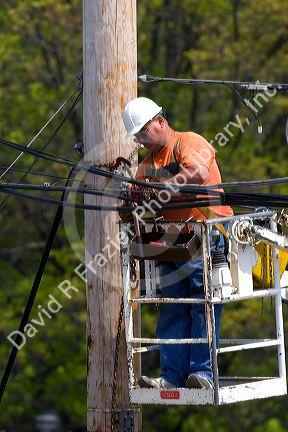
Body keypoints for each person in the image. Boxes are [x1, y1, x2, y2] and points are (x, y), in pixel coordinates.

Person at [122, 97, 233, 390]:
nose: (141, 139)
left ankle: (203, 374)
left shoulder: (187, 142)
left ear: (160, 121)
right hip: (169, 241)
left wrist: (160, 191)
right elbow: (135, 202)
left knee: (201, 304)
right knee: (172, 307)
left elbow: (198, 172)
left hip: (204, 235)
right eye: (137, 136)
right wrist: (128, 200)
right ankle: (172, 377)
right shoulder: (146, 165)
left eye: (143, 131)